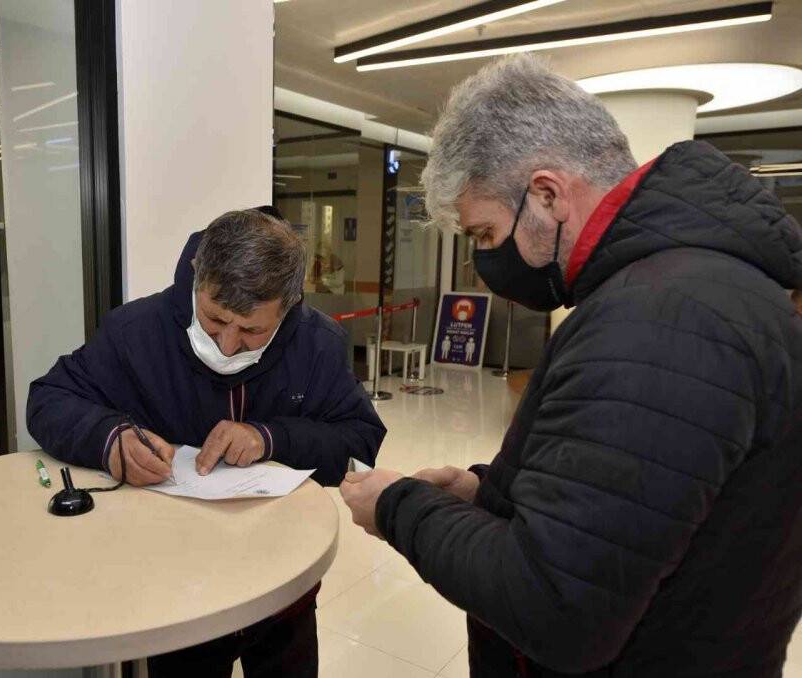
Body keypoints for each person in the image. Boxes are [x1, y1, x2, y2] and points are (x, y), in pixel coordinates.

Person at [341, 54, 802, 677]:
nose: (486, 261)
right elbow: (637, 508)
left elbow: (554, 608)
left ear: (548, 194)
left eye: (484, 234)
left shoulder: (657, 321)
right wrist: (488, 494)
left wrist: (399, 507)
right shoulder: (694, 287)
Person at [27, 207, 385, 678]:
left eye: (253, 330)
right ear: (198, 280)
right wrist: (110, 440)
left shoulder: (316, 344)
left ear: (290, 303)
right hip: (174, 584)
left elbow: (360, 439)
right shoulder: (137, 332)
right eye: (216, 320)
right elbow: (48, 398)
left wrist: (270, 437)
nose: (229, 345)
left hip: (284, 580)